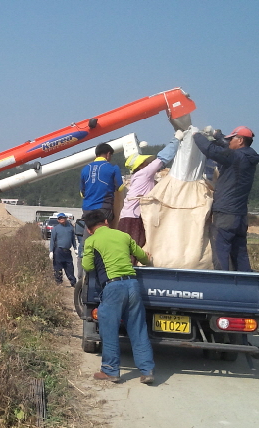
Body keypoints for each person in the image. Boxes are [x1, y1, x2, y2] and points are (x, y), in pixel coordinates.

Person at [81, 209, 155, 384]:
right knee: (138, 328)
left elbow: (87, 266)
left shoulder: (91, 241)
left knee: (109, 329)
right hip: (133, 285)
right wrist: (146, 256)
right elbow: (144, 259)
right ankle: (147, 370)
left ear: (90, 230)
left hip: (113, 287)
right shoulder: (124, 236)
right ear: (106, 222)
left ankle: (110, 370)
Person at [192, 126, 259, 271]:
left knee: (220, 251)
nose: (228, 142)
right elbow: (226, 146)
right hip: (240, 216)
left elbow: (213, 151)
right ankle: (246, 283)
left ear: (240, 140)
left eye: (231, 139)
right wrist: (217, 135)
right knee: (240, 253)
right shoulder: (248, 157)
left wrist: (196, 135)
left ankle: (223, 284)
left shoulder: (236, 157)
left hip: (226, 214)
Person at [118, 136, 180, 249]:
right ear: (140, 165)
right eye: (145, 162)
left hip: (127, 217)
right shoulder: (144, 173)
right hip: (134, 218)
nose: (147, 163)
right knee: (135, 249)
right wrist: (176, 140)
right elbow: (162, 158)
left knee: (125, 250)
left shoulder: (138, 178)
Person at [80, 142, 123, 221]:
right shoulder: (113, 168)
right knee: (104, 230)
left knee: (90, 230)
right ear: (108, 154)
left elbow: (82, 194)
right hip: (103, 208)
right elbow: (120, 188)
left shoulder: (85, 169)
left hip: (87, 209)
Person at [49, 213, 77, 286]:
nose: (62, 219)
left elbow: (73, 239)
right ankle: (58, 282)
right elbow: (52, 240)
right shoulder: (56, 229)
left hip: (67, 251)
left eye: (63, 218)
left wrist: (75, 248)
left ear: (66, 218)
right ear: (58, 220)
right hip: (58, 251)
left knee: (69, 267)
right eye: (60, 218)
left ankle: (73, 282)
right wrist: (51, 251)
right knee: (58, 268)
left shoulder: (70, 228)